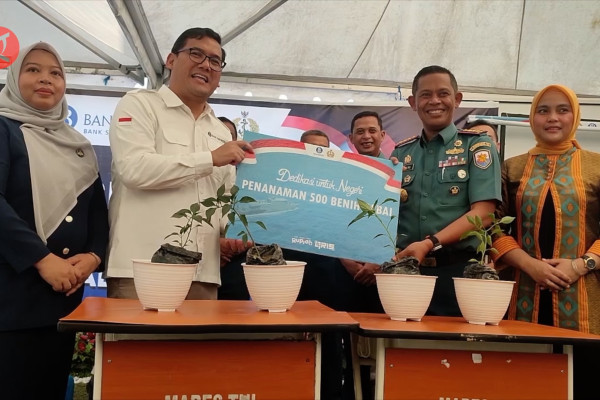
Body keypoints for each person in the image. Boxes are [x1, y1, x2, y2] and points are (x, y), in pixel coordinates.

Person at [106, 27, 250, 300]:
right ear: (171, 60)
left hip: (204, 275)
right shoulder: (139, 105)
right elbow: (134, 169)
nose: (206, 65)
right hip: (143, 269)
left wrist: (237, 232)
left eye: (215, 61)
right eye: (196, 54)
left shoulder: (220, 132)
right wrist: (210, 159)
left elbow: (224, 204)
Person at [0, 42, 109, 399]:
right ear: (14, 78)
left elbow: (98, 213)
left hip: (60, 302)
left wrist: (93, 256)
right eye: (33, 70)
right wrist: (43, 260)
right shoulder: (4, 129)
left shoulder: (78, 145)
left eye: (55, 73)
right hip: (10, 299)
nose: (46, 79)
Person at [492, 84, 600, 398]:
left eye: (562, 110)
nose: (552, 118)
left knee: (585, 382)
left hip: (584, 299)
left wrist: (580, 265)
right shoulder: (511, 167)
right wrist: (530, 265)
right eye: (543, 110)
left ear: (575, 116)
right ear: (532, 118)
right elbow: (492, 227)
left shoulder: (596, 166)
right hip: (522, 294)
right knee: (524, 383)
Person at [391, 65, 502, 317]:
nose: (435, 101)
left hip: (458, 273)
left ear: (457, 99)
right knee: (401, 341)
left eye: (443, 93)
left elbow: (484, 213)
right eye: (425, 95)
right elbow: (385, 214)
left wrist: (430, 243)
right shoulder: (400, 153)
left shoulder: (477, 146)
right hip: (406, 273)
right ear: (413, 102)